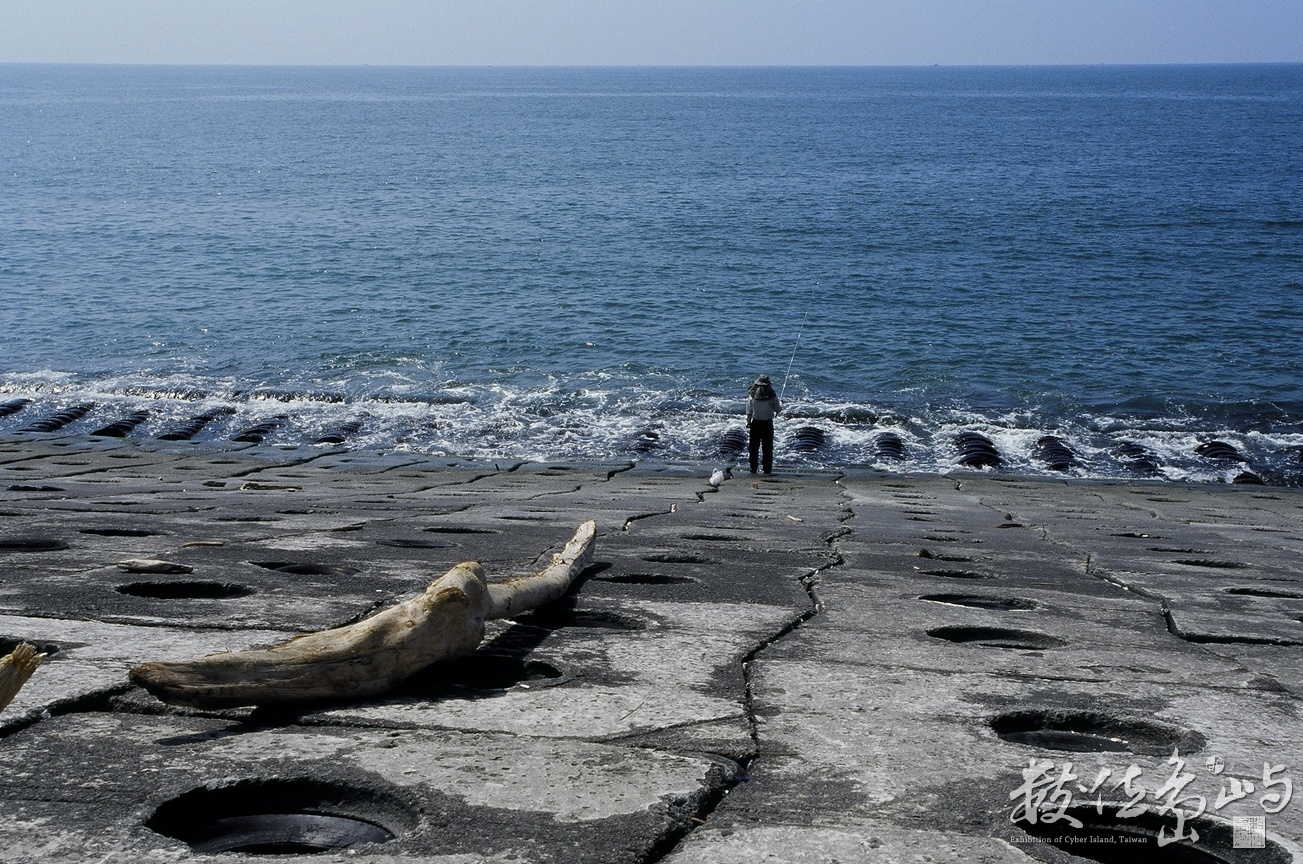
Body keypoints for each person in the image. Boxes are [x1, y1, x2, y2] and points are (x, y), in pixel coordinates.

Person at [746, 375, 781, 474]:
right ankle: (767, 469)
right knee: (767, 448)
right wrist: (780, 406)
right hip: (767, 424)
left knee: (753, 448)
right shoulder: (772, 396)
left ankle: (753, 467)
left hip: (755, 423)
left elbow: (749, 412)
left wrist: (748, 422)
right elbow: (777, 409)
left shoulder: (752, 396)